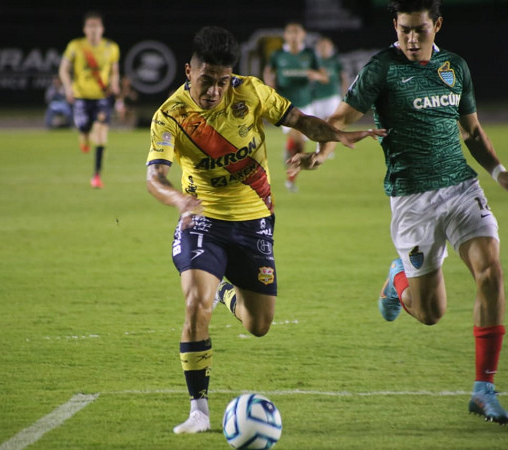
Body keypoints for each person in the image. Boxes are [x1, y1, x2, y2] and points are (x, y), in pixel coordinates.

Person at [288, 0, 508, 425]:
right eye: (404, 29)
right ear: (395, 26)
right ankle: (397, 278)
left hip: (460, 188)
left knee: (491, 271)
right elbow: (340, 117)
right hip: (412, 200)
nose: (412, 38)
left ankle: (483, 389)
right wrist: (320, 155)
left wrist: (500, 173)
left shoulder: (455, 67)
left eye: (420, 29)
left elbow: (472, 131)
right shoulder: (382, 68)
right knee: (430, 314)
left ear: (437, 25)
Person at [146, 26, 382, 435]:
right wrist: (179, 201)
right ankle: (198, 410)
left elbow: (301, 120)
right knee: (194, 305)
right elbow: (155, 176)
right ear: (189, 71)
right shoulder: (170, 115)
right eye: (206, 81)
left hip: (254, 221)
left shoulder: (251, 92)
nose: (215, 91)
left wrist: (334, 135)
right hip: (201, 222)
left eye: (223, 81)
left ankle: (223, 290)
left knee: (259, 325)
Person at [263, 22, 327, 193]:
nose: (294, 36)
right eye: (290, 32)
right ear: (285, 35)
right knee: (298, 139)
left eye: (297, 32)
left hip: (306, 104)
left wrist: (315, 75)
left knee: (300, 146)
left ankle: (290, 171)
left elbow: (324, 77)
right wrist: (269, 82)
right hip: (286, 107)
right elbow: (268, 72)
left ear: (303, 35)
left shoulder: (309, 54)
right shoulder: (278, 55)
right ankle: (291, 176)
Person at [59, 10, 120, 189]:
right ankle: (84, 136)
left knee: (101, 132)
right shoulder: (76, 46)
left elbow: (115, 71)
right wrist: (68, 88)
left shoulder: (111, 48)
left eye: (97, 26)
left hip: (102, 97)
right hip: (81, 96)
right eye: (90, 26)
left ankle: (96, 175)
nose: (94, 30)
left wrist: (115, 85)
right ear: (85, 29)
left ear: (102, 29)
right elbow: (63, 69)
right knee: (84, 127)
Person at [311, 36, 348, 122]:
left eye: (326, 46)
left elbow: (343, 79)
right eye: (321, 46)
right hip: (317, 98)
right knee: (318, 125)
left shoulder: (335, 61)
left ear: (331, 47)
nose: (324, 48)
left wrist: (345, 96)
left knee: (332, 123)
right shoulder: (314, 62)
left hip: (333, 97)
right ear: (317, 48)